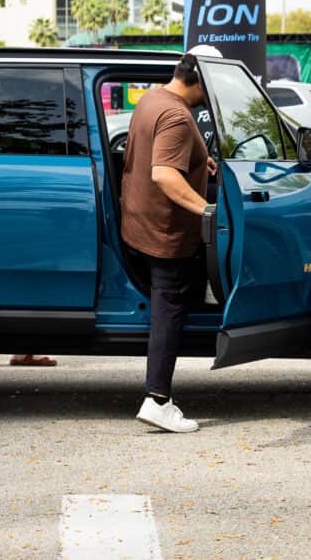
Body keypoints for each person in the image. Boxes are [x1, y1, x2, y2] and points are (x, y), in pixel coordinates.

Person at [122, 53, 216, 434]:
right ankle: (157, 399)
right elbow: (163, 173)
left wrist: (200, 161)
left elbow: (160, 155)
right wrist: (207, 210)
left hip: (140, 223)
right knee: (169, 309)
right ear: (200, 80)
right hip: (167, 234)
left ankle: (157, 396)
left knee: (168, 304)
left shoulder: (153, 99)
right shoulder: (178, 115)